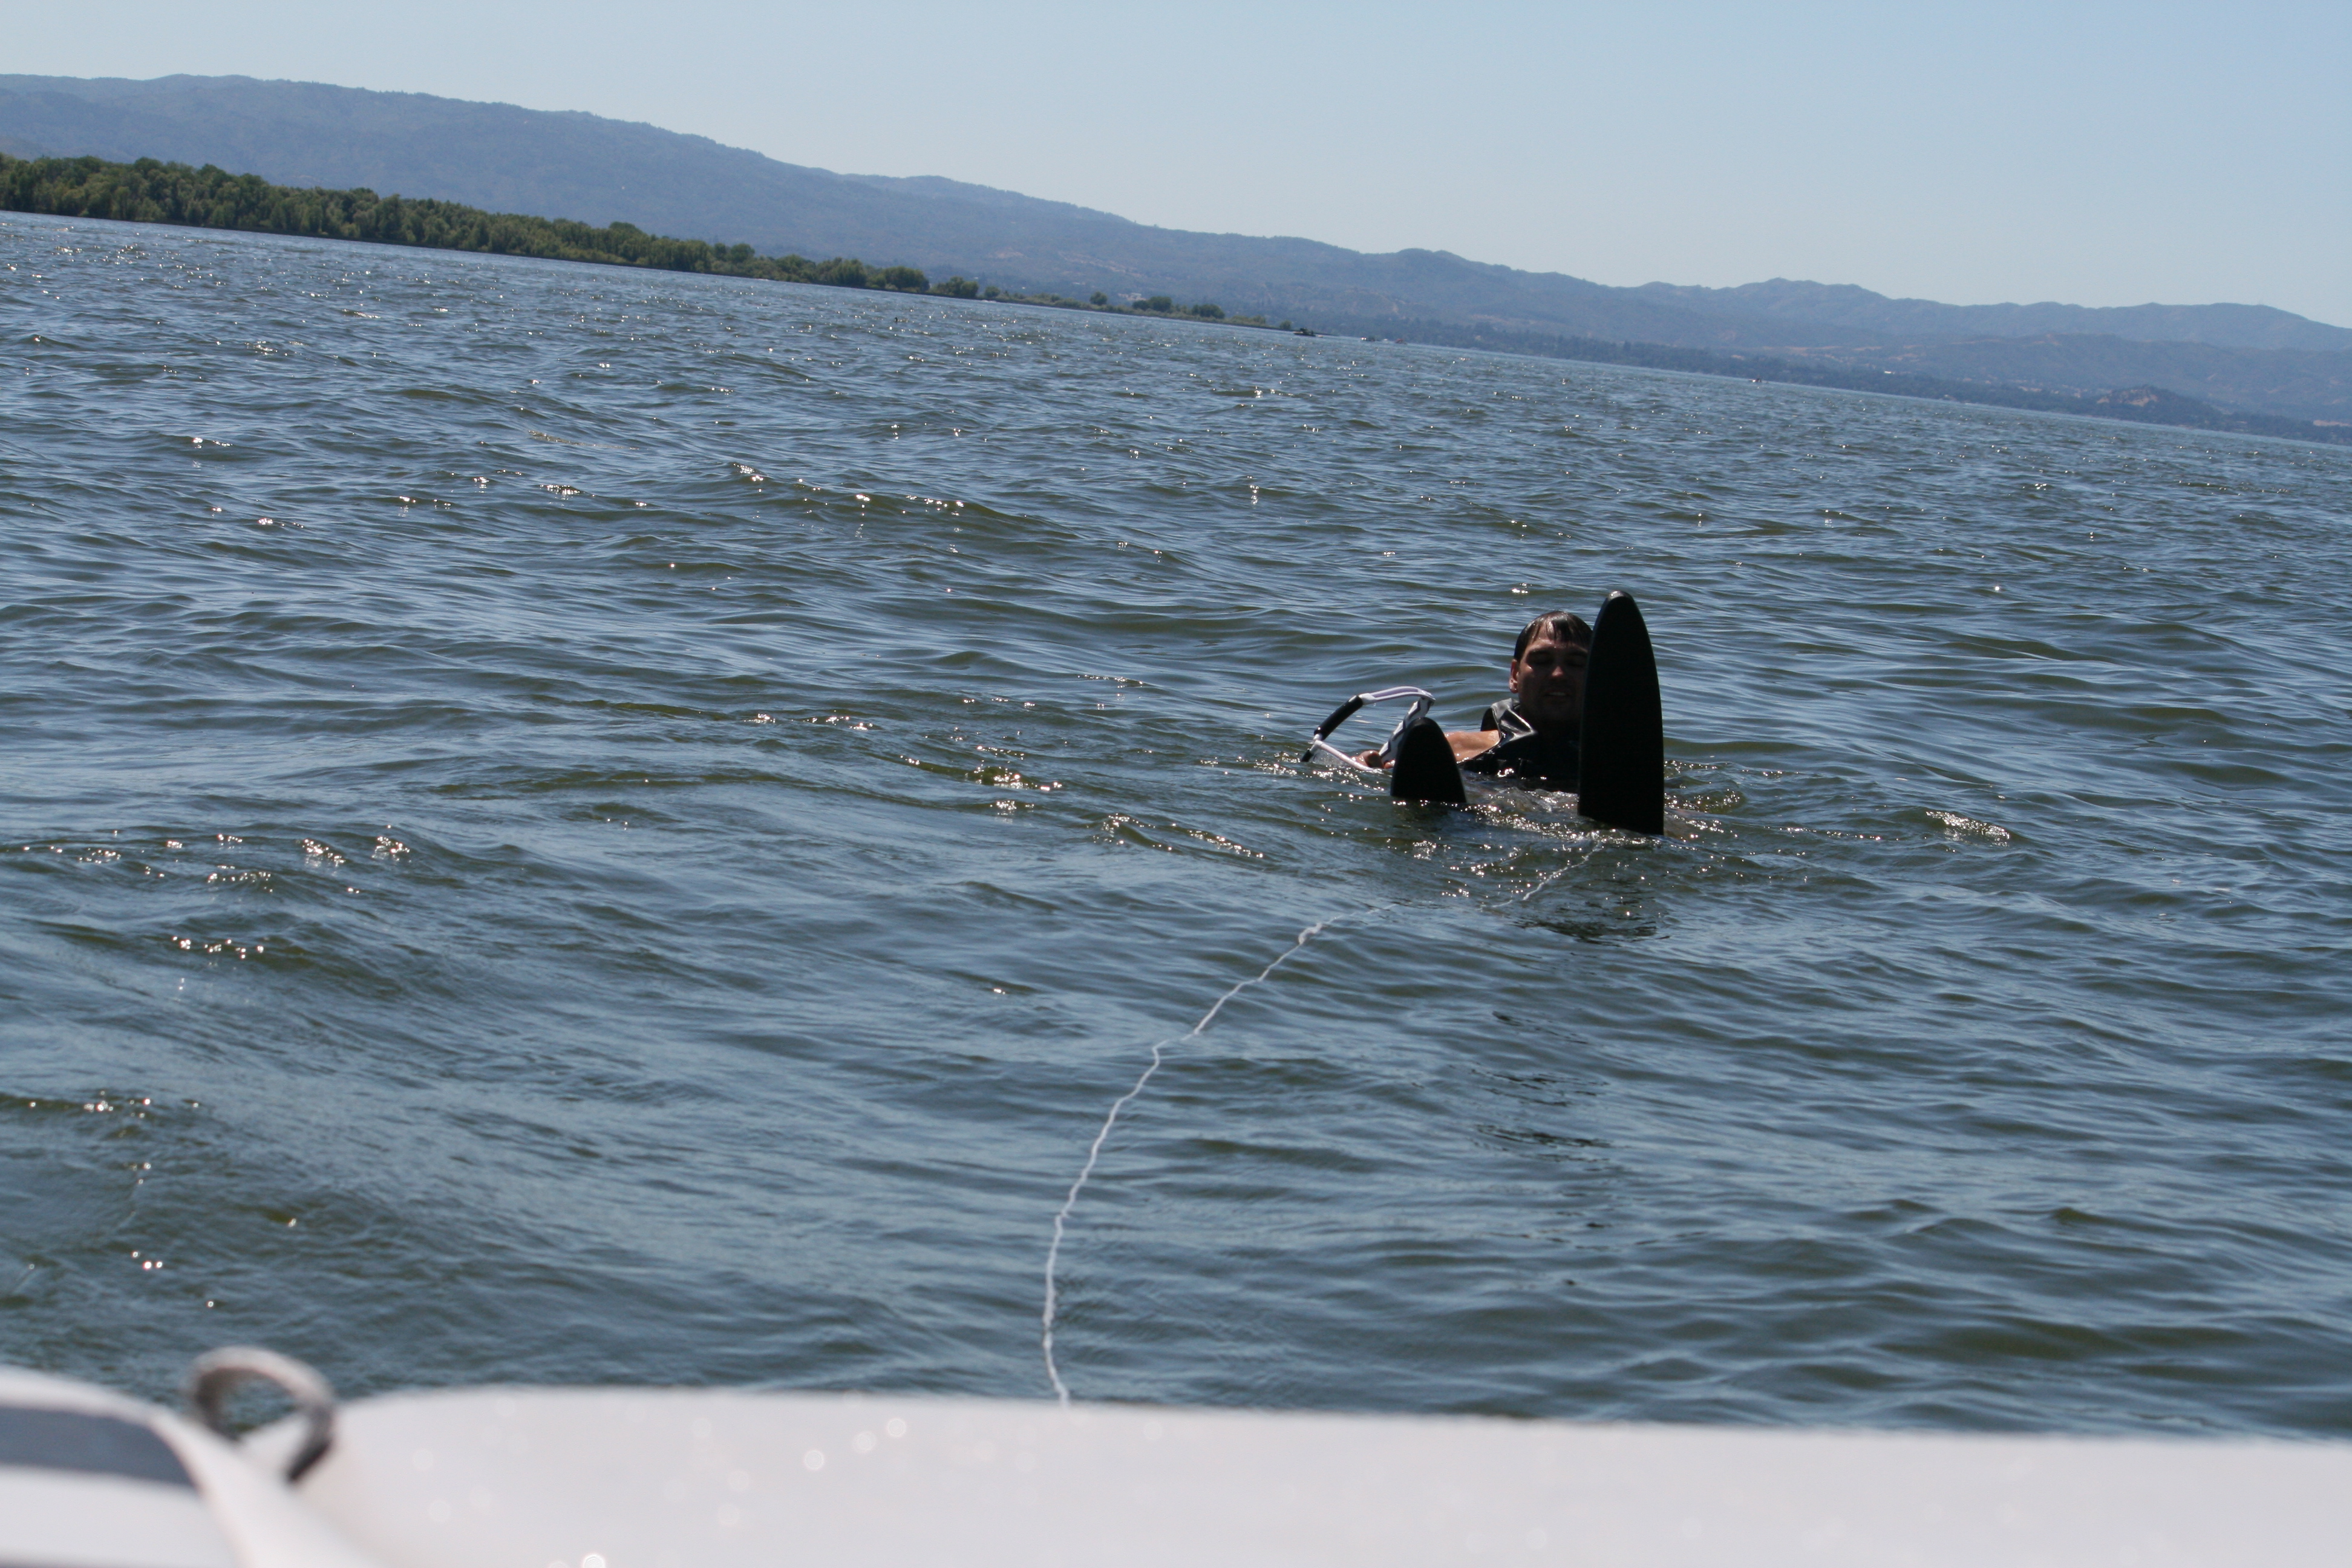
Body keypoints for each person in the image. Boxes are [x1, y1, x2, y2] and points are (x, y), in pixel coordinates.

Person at [1354, 610, 1591, 785]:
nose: (1558, 674)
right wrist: (1365, 768)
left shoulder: (1612, 760)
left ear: (1599, 679)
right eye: (1541, 661)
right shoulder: (1450, 751)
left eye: (1576, 663)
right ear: (1514, 676)